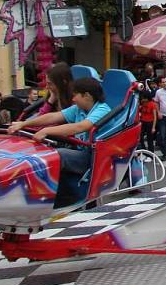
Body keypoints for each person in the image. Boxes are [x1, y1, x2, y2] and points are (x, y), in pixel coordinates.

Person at [8, 77, 111, 207]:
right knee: (45, 150)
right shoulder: (79, 109)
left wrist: (47, 131)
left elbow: (80, 127)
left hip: (95, 157)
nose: (73, 99)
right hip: (81, 151)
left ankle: (49, 201)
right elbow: (53, 116)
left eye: (75, 96)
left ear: (87, 96)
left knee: (57, 156)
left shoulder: (102, 110)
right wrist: (23, 124)